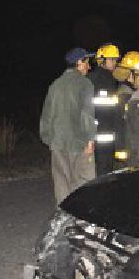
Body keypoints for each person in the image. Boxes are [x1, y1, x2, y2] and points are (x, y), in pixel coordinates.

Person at [40, 48, 98, 204]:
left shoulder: (55, 84)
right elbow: (87, 114)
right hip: (79, 142)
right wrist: (90, 140)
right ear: (79, 63)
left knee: (61, 184)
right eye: (87, 62)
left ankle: (65, 220)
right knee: (84, 182)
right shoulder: (85, 84)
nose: (89, 66)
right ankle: (83, 219)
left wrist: (49, 139)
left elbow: (46, 115)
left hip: (57, 142)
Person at [89, 43, 122, 175]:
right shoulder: (94, 79)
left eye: (116, 60)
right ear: (102, 60)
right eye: (112, 59)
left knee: (107, 168)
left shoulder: (111, 79)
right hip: (98, 133)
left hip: (108, 132)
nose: (114, 62)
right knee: (101, 169)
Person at [112, 51, 139, 165]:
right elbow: (124, 128)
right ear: (130, 74)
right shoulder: (125, 95)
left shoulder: (133, 93)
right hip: (128, 154)